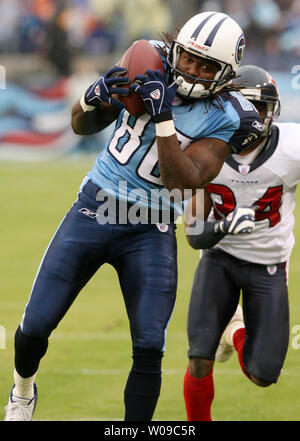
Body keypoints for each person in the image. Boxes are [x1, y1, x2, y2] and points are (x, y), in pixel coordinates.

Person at [4, 12, 263, 421]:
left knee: (148, 345)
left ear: (225, 73)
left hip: (151, 225)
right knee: (35, 326)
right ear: (177, 48)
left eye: (206, 65)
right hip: (95, 207)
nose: (192, 70)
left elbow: (185, 183)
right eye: (189, 58)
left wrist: (163, 120)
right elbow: (81, 125)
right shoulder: (148, 59)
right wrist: (94, 97)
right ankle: (22, 392)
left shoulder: (229, 116)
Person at [183, 64, 298, 421]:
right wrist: (224, 226)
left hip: (268, 265)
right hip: (219, 259)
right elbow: (193, 232)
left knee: (263, 374)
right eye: (245, 106)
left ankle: (235, 331)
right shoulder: (204, 149)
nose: (254, 117)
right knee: (200, 357)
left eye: (260, 108)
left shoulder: (291, 147)